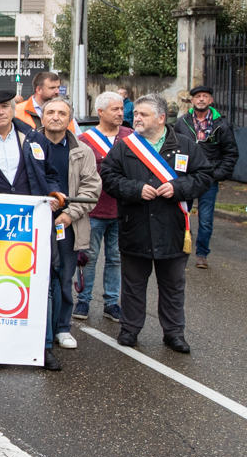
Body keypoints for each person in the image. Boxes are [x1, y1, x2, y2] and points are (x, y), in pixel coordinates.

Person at [100, 94, 213, 353]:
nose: (136, 118)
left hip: (173, 228)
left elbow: (204, 176)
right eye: (136, 113)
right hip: (135, 224)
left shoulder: (185, 145)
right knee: (133, 284)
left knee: (173, 286)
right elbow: (109, 177)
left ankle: (174, 333)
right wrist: (136, 189)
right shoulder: (124, 146)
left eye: (143, 114)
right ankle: (130, 329)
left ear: (161, 118)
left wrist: (178, 187)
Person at [0, 89, 63, 370]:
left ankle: (44, 347)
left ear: (13, 109)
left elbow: (51, 175)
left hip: (33, 223)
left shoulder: (34, 138)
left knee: (41, 284)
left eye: (6, 107)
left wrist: (54, 193)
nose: (1, 112)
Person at [38, 99, 100, 351]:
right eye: (50, 112)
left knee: (64, 278)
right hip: (32, 223)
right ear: (41, 117)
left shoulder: (82, 151)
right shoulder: (28, 144)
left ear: (69, 119)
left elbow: (91, 189)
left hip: (68, 225)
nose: (55, 117)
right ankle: (37, 329)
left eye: (61, 113)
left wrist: (69, 214)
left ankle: (62, 328)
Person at [75, 91, 133, 322]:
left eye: (121, 109)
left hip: (122, 209)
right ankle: (83, 300)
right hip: (94, 210)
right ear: (100, 112)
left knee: (116, 258)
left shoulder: (131, 136)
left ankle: (111, 302)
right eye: (115, 110)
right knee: (89, 257)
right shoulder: (85, 140)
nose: (121, 113)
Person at [176, 85, 239, 268]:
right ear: (192, 101)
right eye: (197, 96)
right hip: (186, 178)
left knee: (205, 218)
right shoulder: (182, 122)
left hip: (208, 180)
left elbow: (231, 154)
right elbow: (174, 148)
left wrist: (216, 175)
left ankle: (202, 253)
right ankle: (182, 248)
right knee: (181, 214)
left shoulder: (221, 124)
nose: (201, 99)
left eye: (205, 96)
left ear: (211, 100)